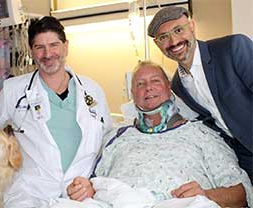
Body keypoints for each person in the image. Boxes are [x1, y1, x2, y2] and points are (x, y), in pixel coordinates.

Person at [0, 16, 112, 207]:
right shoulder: (13, 90)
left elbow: (108, 145)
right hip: (30, 191)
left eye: (54, 45)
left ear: (66, 47)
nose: (48, 53)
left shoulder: (92, 91)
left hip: (79, 192)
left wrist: (93, 184)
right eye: (39, 47)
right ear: (31, 51)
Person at [66, 61, 252, 208]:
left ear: (168, 87)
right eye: (140, 84)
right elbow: (93, 183)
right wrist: (83, 188)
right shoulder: (116, 138)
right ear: (132, 93)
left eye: (155, 81)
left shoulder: (203, 135)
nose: (148, 88)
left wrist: (206, 194)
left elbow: (242, 194)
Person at [147, 6, 253, 183]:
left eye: (178, 30)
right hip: (245, 159)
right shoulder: (178, 86)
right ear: (158, 44)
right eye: (163, 37)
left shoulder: (232, 48)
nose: (173, 41)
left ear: (192, 26)